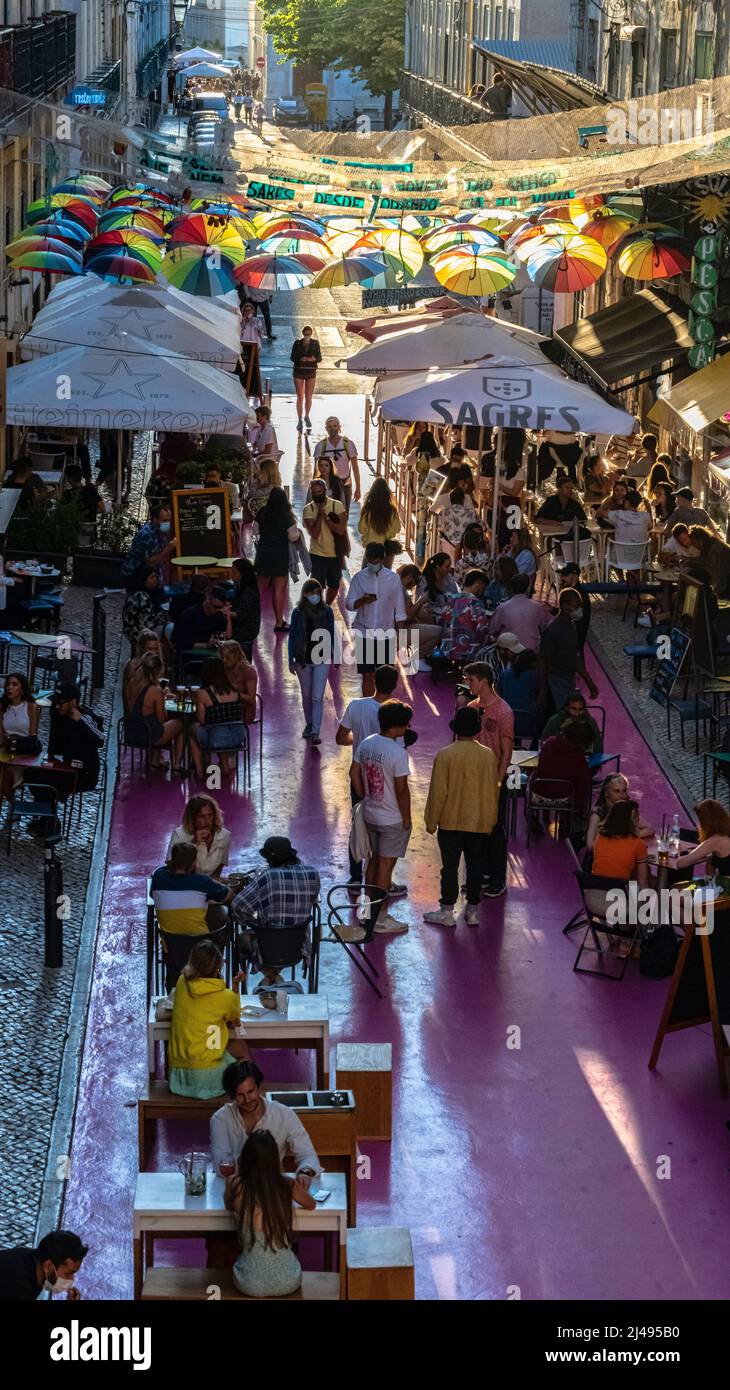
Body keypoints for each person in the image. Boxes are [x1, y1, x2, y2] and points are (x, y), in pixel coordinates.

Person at [423, 705, 499, 927]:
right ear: (477, 730)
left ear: (456, 729)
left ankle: (447, 910)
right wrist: (490, 819)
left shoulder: (445, 755)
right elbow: (491, 790)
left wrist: (431, 821)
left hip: (451, 822)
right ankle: (472, 910)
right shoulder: (488, 756)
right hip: (478, 822)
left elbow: (438, 792)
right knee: (475, 866)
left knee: (449, 867)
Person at [352, 700, 413, 935]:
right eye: (405, 724)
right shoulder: (398, 753)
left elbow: (353, 772)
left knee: (373, 863)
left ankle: (366, 912)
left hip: (371, 813)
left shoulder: (367, 744)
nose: (408, 727)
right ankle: (381, 917)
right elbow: (401, 790)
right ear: (396, 726)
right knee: (386, 869)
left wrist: (363, 796)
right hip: (391, 818)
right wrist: (406, 818)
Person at [212, 1059, 320, 1182]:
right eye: (240, 1095)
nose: (247, 1100)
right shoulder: (220, 1119)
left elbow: (307, 1155)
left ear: (259, 1087)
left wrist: (304, 1172)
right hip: (235, 1189)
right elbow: (220, 1166)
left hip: (271, 1189)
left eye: (251, 1091)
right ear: (231, 1096)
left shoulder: (284, 1114)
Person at [231, 837, 320, 985]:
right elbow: (313, 899)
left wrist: (253, 922)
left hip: (267, 949)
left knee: (242, 938)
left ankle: (269, 976)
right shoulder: (312, 874)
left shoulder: (267, 877)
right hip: (299, 946)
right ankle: (274, 977)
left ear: (270, 861)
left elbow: (237, 906)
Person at [169, 939, 249, 1098]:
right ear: (218, 967)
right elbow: (235, 1018)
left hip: (178, 1078)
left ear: (192, 961)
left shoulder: (181, 983)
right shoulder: (225, 997)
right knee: (241, 1047)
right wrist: (234, 987)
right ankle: (250, 1096)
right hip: (208, 1079)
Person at [151, 841, 231, 989]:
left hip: (172, 949)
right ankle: (215, 971)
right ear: (194, 864)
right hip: (201, 948)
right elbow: (228, 896)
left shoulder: (158, 878)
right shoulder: (203, 882)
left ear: (172, 861)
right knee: (223, 918)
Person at [464, 661, 514, 898]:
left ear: (483, 681)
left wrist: (498, 781)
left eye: (471, 679)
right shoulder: (472, 708)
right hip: (473, 778)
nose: (468, 684)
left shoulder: (503, 711)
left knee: (494, 830)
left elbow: (506, 750)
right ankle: (480, 874)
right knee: (475, 828)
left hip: (493, 779)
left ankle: (497, 878)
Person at [346, 542, 406, 695]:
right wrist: (362, 600)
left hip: (385, 633)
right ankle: (368, 707)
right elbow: (349, 604)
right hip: (364, 632)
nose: (374, 564)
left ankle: (382, 712)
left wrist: (401, 638)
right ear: (367, 558)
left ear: (383, 559)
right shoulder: (359, 578)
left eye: (377, 561)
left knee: (384, 677)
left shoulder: (393, 579)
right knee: (367, 675)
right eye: (371, 561)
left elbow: (399, 609)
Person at [288, 578, 334, 745]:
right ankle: (309, 723)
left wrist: (334, 654)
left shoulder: (327, 611)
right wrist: (290, 659)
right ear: (305, 593)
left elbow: (331, 632)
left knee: (317, 697)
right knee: (306, 695)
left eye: (317, 593)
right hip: (303, 660)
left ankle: (316, 730)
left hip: (322, 659)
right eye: (311, 593)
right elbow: (292, 636)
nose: (315, 596)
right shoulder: (297, 613)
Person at [539, 589, 598, 717]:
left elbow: (573, 657)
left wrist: (588, 681)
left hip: (567, 679)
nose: (579, 610)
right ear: (565, 606)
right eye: (576, 606)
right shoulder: (553, 630)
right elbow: (543, 661)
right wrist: (543, 691)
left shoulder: (571, 626)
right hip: (555, 682)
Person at [124, 653, 184, 771]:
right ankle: (177, 765)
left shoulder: (131, 683)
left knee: (155, 723)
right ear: (157, 671)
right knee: (181, 724)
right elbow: (162, 718)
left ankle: (154, 762)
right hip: (147, 734)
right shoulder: (155, 690)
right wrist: (163, 699)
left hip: (131, 732)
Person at [190, 657, 247, 779]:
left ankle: (200, 770)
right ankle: (224, 765)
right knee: (223, 727)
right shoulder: (234, 689)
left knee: (191, 729)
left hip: (216, 738)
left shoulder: (203, 693)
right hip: (238, 736)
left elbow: (201, 720)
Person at [532, 719, 592, 825]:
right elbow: (581, 785)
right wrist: (579, 807)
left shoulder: (549, 742)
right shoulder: (579, 756)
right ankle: (568, 824)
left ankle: (533, 819)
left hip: (540, 794)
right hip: (564, 798)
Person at [0, 1230, 87, 1300]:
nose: (71, 1279)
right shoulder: (19, 1287)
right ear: (48, 1266)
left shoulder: (30, 1260)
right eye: (68, 1273)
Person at [254, 486, 296, 632]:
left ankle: (251, 618)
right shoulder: (286, 515)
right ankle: (279, 622)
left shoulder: (262, 512)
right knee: (279, 590)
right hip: (280, 556)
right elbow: (293, 536)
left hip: (263, 555)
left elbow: (255, 531)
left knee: (258, 590)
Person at [302, 473, 347, 604]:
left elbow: (340, 530)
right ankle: (317, 606)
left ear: (325, 491)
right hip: (317, 553)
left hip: (335, 553)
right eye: (314, 493)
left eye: (320, 492)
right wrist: (319, 516)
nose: (317, 495)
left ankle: (326, 605)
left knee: (334, 585)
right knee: (317, 585)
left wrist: (326, 518)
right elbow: (314, 534)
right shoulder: (308, 509)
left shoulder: (337, 506)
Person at [168, 794, 231, 879]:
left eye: (210, 815)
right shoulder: (179, 835)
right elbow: (173, 871)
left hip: (210, 884)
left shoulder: (224, 836)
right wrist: (194, 844)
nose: (207, 821)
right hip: (186, 885)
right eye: (202, 816)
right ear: (192, 818)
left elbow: (218, 872)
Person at [586, 774, 653, 851]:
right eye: (616, 791)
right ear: (606, 793)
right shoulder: (597, 814)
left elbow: (650, 828)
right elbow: (590, 845)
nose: (621, 795)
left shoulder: (626, 809)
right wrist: (616, 842)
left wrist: (628, 838)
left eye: (624, 790)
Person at [591, 799, 649, 886]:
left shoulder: (600, 836)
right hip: (619, 893)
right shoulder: (639, 844)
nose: (639, 819)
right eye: (637, 817)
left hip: (593, 891)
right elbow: (642, 883)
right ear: (632, 821)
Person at [121, 502, 177, 591]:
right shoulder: (147, 535)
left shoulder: (160, 530)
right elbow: (150, 562)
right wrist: (168, 549)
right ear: (155, 520)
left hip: (149, 574)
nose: (168, 523)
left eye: (169, 520)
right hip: (136, 575)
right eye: (164, 520)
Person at [490, 573, 551, 653]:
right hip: (530, 650)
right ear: (527, 588)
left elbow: (493, 630)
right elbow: (545, 627)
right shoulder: (538, 607)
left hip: (511, 651)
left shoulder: (502, 608)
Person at [397, 564, 443, 665]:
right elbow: (408, 616)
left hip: (394, 631)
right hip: (396, 633)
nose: (414, 585)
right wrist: (421, 601)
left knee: (430, 626)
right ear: (409, 577)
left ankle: (416, 658)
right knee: (439, 632)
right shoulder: (400, 589)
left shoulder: (399, 588)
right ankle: (417, 659)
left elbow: (413, 613)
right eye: (415, 582)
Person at [440, 569, 490, 661]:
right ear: (478, 584)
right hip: (468, 653)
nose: (483, 591)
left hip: (447, 650)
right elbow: (482, 629)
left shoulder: (450, 600)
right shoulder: (474, 603)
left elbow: (443, 621)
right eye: (483, 587)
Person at [313, 416, 361, 514]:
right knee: (327, 513)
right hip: (327, 484)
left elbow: (355, 468)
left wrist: (358, 488)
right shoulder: (321, 446)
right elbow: (316, 470)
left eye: (335, 426)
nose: (332, 429)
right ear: (326, 429)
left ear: (339, 427)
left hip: (345, 483)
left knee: (344, 514)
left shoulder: (348, 444)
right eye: (329, 426)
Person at [674, 799, 730, 875]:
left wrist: (678, 851)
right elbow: (710, 875)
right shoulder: (725, 834)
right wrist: (709, 857)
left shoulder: (716, 840)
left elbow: (680, 864)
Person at [174, 584, 232, 657]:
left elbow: (227, 638)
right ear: (208, 599)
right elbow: (181, 643)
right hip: (190, 656)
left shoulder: (218, 615)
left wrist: (228, 618)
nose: (218, 610)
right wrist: (206, 645)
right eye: (215, 607)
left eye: (220, 608)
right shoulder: (189, 615)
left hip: (211, 656)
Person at [496, 645, 539, 743]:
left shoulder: (504, 674)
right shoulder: (535, 676)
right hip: (528, 724)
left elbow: (499, 696)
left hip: (506, 722)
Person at [541, 689, 603, 753]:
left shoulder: (589, 721)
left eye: (580, 709)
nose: (577, 713)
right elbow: (544, 743)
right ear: (566, 708)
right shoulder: (555, 720)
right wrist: (561, 729)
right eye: (574, 709)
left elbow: (598, 746)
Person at [122, 570, 165, 654]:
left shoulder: (140, 593)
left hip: (133, 631)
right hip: (137, 633)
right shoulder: (142, 596)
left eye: (156, 577)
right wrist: (163, 615)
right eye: (151, 577)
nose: (155, 579)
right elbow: (148, 623)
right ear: (144, 580)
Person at [220, 639, 258, 726]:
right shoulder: (223, 667)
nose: (224, 660)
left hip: (243, 709)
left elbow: (251, 699)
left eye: (227, 657)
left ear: (236, 656)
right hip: (226, 706)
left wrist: (234, 694)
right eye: (223, 657)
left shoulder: (249, 671)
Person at [290, 326, 322, 431]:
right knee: (300, 396)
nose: (307, 336)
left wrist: (312, 359)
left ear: (311, 334)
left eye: (309, 334)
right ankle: (299, 419)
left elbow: (319, 358)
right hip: (299, 371)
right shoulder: (297, 343)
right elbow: (292, 357)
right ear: (303, 334)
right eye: (305, 334)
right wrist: (301, 358)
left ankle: (307, 416)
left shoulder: (315, 343)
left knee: (309, 396)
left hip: (310, 371)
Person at [357, 477, 401, 550]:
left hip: (370, 547)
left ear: (372, 492)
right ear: (387, 493)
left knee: (366, 561)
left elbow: (361, 529)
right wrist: (390, 534)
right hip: (386, 547)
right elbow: (397, 528)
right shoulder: (392, 510)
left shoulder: (367, 508)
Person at [229, 558, 261, 658]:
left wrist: (225, 612)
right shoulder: (240, 588)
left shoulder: (248, 592)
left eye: (234, 572)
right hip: (244, 626)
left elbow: (240, 614)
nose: (231, 575)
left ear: (242, 574)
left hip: (246, 630)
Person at [558, 562, 592, 655]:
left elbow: (576, 618)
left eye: (565, 575)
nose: (562, 578)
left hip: (574, 638)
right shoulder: (570, 590)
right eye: (562, 575)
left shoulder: (577, 595)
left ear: (575, 576)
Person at [417, 551, 459, 624]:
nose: (449, 569)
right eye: (447, 567)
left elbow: (456, 597)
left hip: (448, 615)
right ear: (438, 567)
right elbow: (424, 608)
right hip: (429, 619)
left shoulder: (449, 579)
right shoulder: (424, 582)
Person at [0, 672, 39, 749]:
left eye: (14, 685)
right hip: (7, 747)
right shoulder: (3, 707)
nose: (9, 687)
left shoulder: (31, 707)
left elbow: (32, 736)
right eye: (8, 684)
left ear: (22, 689)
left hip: (25, 748)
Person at [688, 526, 730, 597]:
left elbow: (717, 572)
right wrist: (691, 563)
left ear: (701, 539)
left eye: (695, 543)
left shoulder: (715, 549)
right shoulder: (707, 545)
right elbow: (703, 562)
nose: (695, 546)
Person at [454, 520, 492, 586]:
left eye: (479, 534)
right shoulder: (488, 561)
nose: (477, 536)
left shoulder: (485, 548)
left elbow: (457, 582)